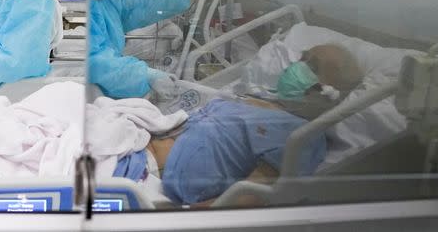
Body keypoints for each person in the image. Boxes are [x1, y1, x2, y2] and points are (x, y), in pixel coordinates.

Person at [152, 43, 363, 206]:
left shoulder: (303, 137)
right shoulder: (254, 98)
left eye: (312, 65)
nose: (296, 65)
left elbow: (245, 200)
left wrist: (174, 217)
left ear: (330, 93)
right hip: (139, 140)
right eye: (302, 57)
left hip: (150, 177)